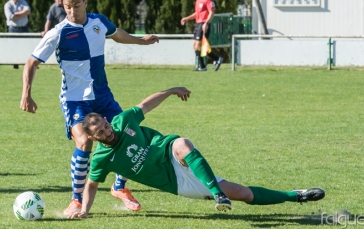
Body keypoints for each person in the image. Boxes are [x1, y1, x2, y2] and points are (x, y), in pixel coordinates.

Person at [67, 87, 325, 218]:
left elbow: (146, 104)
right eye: (100, 133)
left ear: (106, 119)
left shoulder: (124, 121)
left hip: (169, 151)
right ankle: (287, 196)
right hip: (175, 181)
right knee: (245, 194)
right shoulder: (101, 158)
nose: (107, 132)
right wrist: (85, 209)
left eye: (106, 125)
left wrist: (171, 91)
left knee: (181, 142)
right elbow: (91, 185)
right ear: (91, 138)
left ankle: (296, 196)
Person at [20, 0, 159, 215]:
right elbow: (32, 62)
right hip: (75, 99)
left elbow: (118, 35)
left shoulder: (99, 21)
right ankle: (76, 199)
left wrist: (141, 40)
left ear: (85, 2)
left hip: (103, 96)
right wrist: (26, 94)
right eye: (67, 7)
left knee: (127, 134)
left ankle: (119, 187)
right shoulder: (58, 32)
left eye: (76, 5)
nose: (72, 11)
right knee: (85, 142)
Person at [181, 0, 223, 71]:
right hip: (198, 24)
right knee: (196, 45)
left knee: (199, 46)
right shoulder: (198, 0)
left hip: (204, 24)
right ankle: (212, 61)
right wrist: (186, 18)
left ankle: (204, 65)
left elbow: (212, 12)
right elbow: (197, 14)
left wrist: (206, 23)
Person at [4, 0, 31, 69]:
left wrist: (16, 14)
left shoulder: (23, 2)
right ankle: (15, 63)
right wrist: (23, 14)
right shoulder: (7, 5)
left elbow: (28, 11)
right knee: (13, 46)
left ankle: (27, 63)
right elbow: (11, 17)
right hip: (13, 29)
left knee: (26, 46)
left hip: (24, 28)